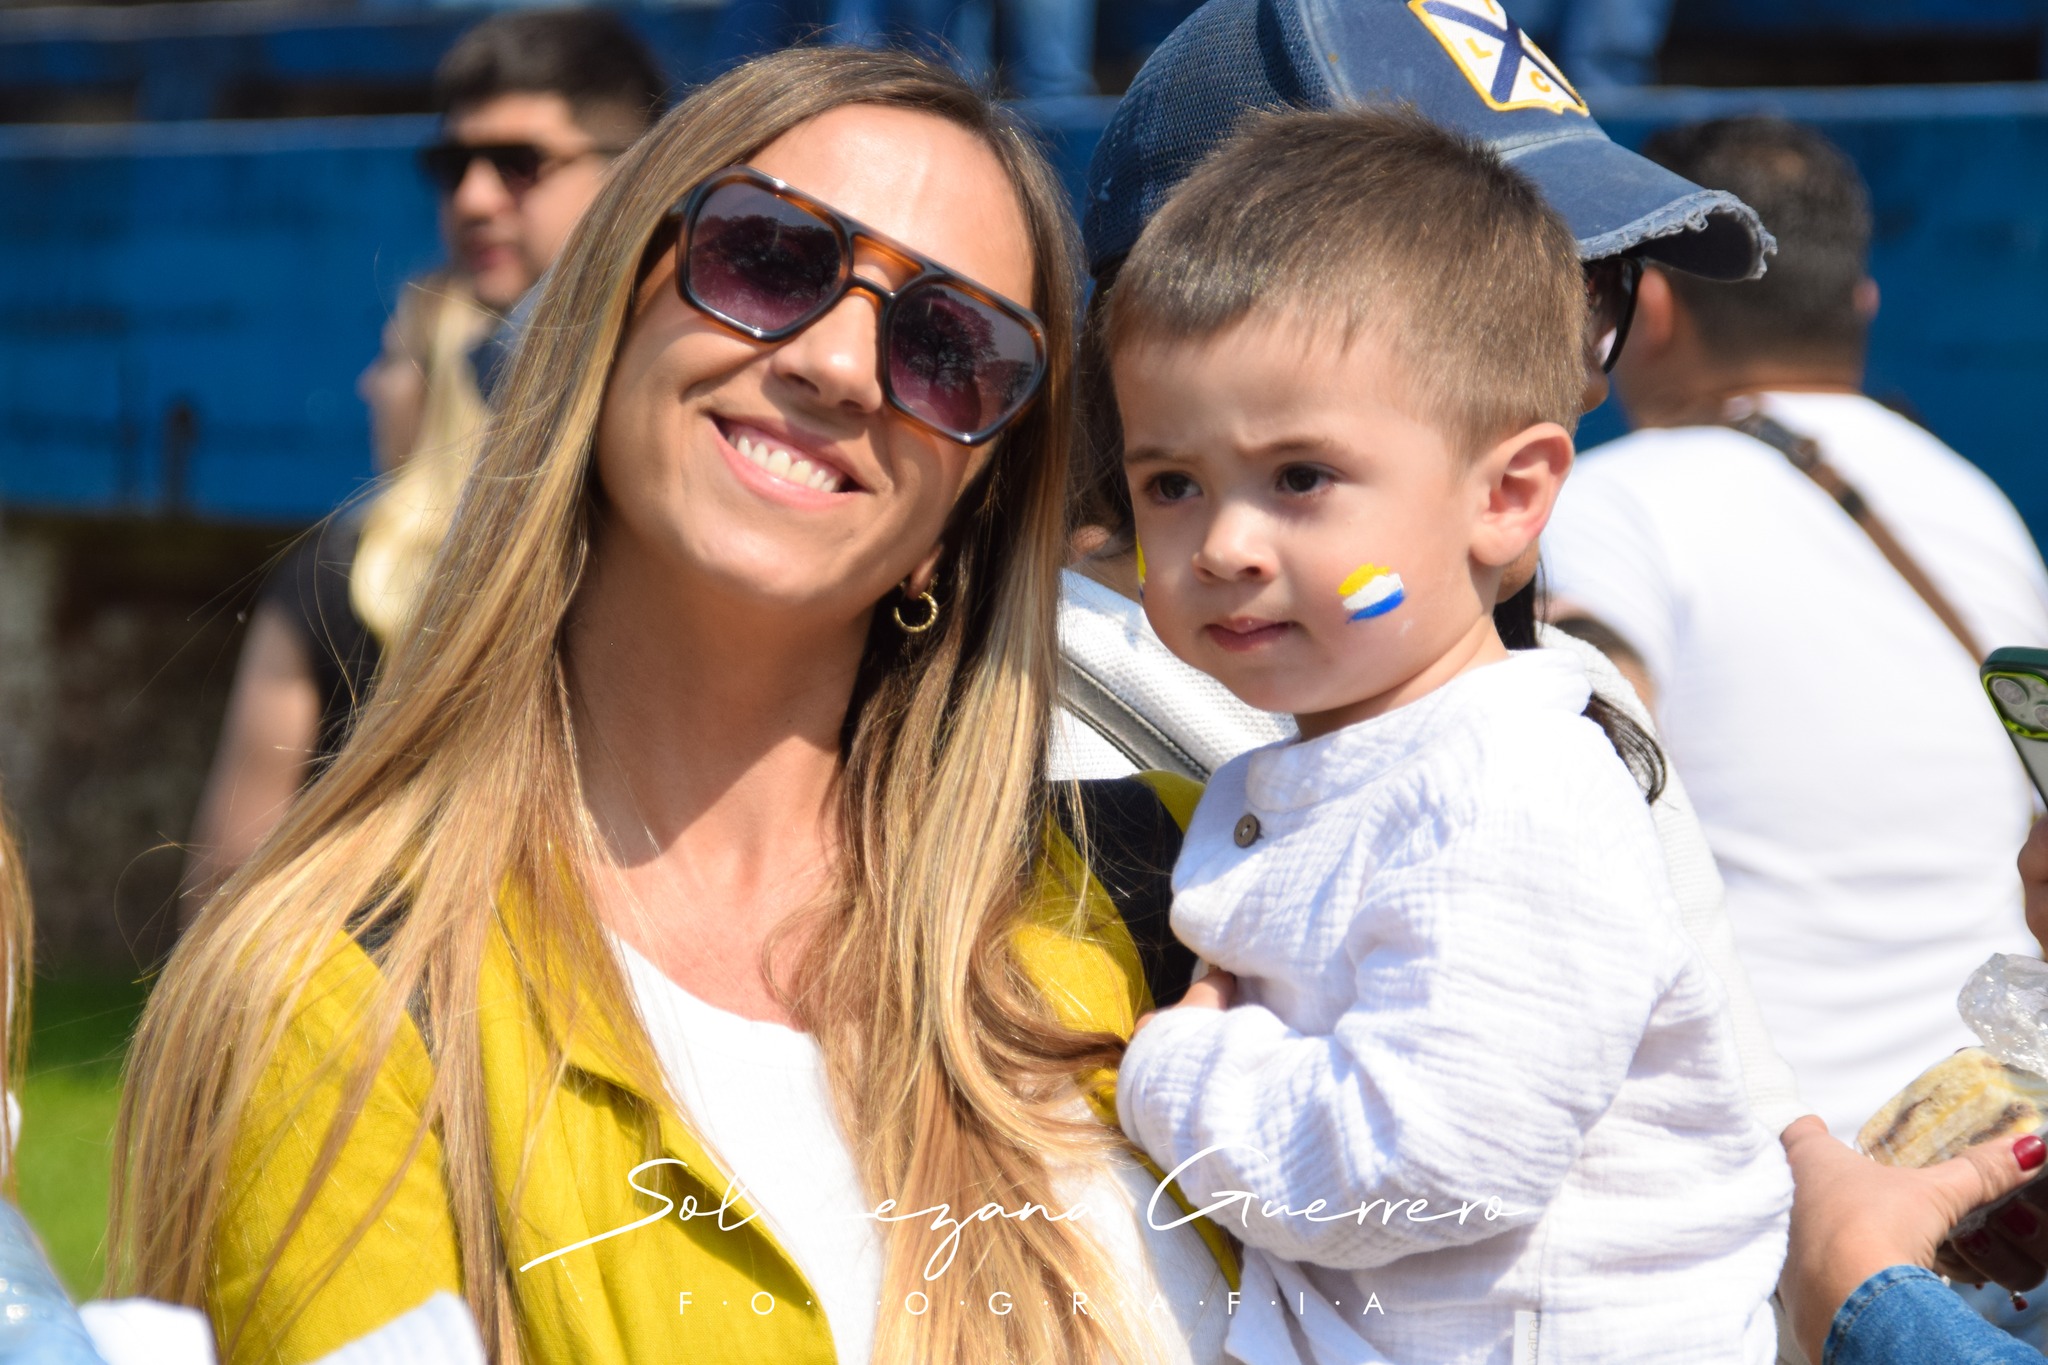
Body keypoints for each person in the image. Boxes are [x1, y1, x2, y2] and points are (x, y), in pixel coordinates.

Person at [115, 46, 1233, 1365]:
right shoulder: (335, 1002)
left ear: (966, 512)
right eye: (767, 255)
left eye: (949, 345)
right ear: (606, 318)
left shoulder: (1193, 889)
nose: (838, 364)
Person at [1108, 106, 1789, 1364]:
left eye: (1299, 477)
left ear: (1505, 496)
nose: (1221, 545)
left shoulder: (1505, 790)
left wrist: (1171, 1076)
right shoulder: (1361, 756)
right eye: (1170, 483)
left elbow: (1424, 1156)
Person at [1540, 116, 2048, 1140]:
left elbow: (1570, 798)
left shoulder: (1611, 504)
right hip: (1986, 1153)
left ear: (1658, 309)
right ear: (1857, 304)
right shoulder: (1977, 511)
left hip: (1761, 1166)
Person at [178, 277, 491, 922]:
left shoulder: (331, 574)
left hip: (340, 985)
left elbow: (231, 860)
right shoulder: (565, 579)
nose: (368, 385)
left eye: (392, 359)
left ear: (444, 392)